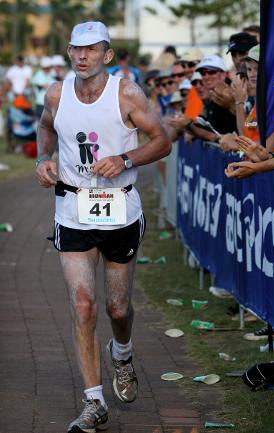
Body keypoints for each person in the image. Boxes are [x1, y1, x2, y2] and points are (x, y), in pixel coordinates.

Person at [35, 21, 171, 433]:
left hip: (120, 209)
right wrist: (44, 159)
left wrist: (126, 160)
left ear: (107, 55)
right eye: (76, 49)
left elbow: (161, 140)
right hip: (73, 207)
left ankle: (123, 352)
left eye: (91, 50)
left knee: (117, 308)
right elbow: (45, 126)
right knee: (82, 305)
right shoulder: (57, 93)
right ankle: (94, 402)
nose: (81, 56)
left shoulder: (127, 93)